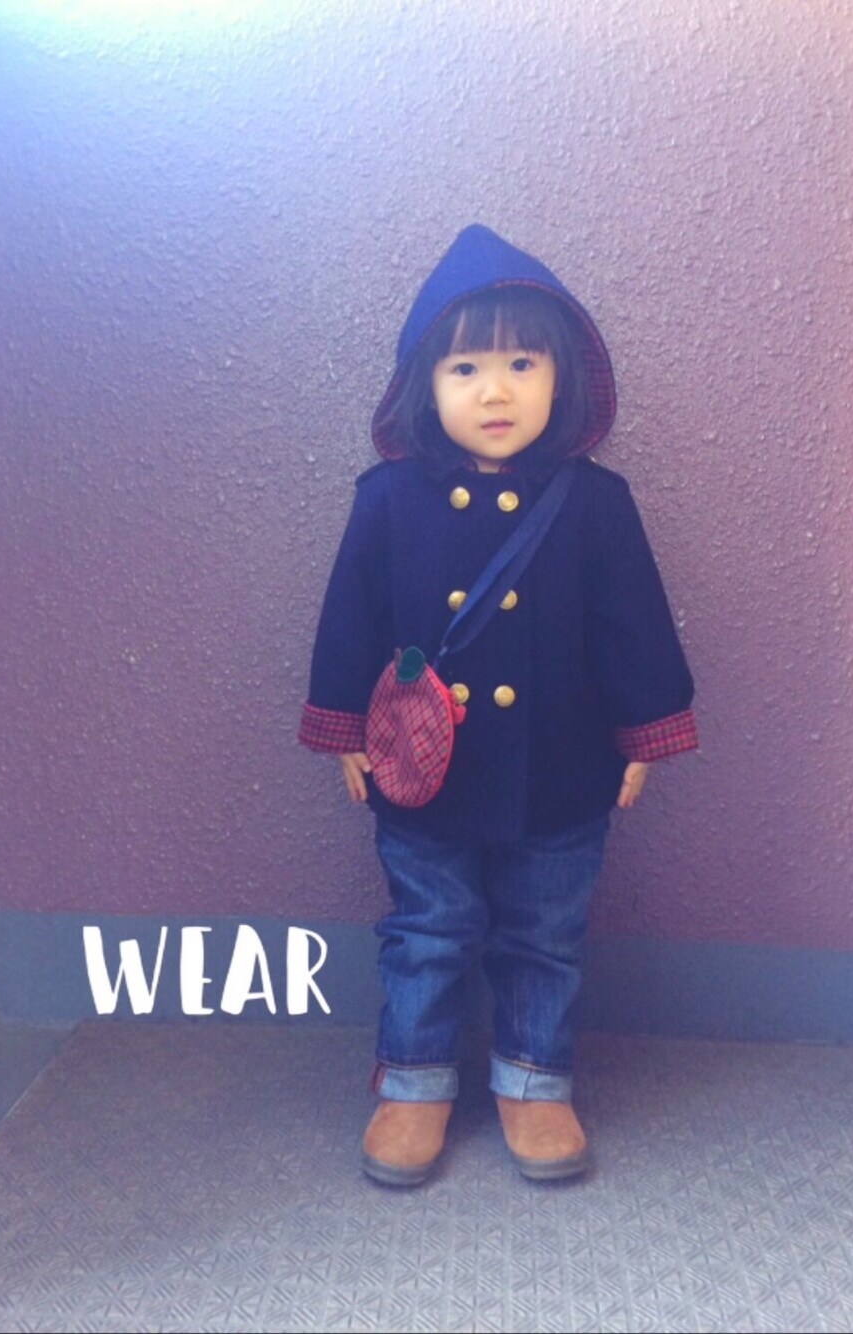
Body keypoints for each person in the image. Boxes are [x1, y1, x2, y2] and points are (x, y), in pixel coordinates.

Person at [299, 224, 697, 1185]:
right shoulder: (387, 500)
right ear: (424, 384)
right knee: (427, 930)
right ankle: (415, 1082)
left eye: (523, 363)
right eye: (466, 367)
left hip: (562, 766)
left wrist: (644, 731)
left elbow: (632, 623)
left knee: (545, 934)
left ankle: (533, 1079)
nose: (495, 390)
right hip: (421, 765)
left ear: (563, 378)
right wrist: (344, 728)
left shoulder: (595, 503)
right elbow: (351, 617)